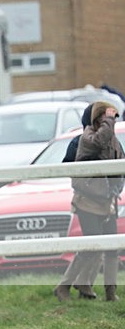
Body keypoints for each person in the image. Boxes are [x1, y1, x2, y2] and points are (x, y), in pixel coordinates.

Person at [54, 101, 124, 302]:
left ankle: (110, 292)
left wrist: (116, 189)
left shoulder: (114, 141)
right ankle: (64, 286)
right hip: (88, 201)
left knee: (111, 249)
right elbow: (98, 142)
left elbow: (120, 168)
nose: (111, 123)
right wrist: (108, 121)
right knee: (91, 246)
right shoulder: (86, 139)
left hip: (108, 201)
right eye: (106, 118)